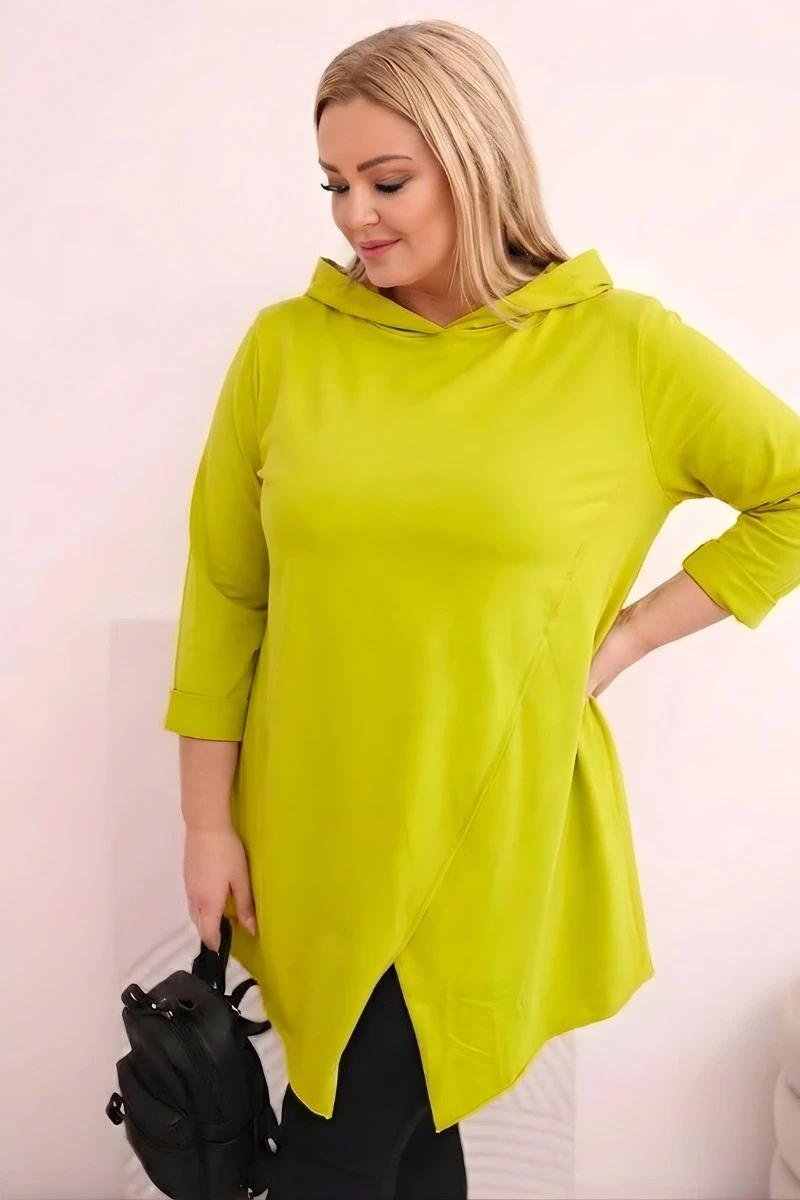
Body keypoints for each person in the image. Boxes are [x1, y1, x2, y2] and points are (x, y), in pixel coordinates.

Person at [163, 18, 800, 1200]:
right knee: (405, 1145)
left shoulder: (620, 350)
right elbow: (226, 594)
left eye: (386, 180)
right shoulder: (286, 349)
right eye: (334, 184)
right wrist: (207, 821)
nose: (356, 215)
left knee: (338, 1147)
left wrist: (623, 638)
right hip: (309, 830)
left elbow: (790, 493)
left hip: (485, 828)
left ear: (475, 161)